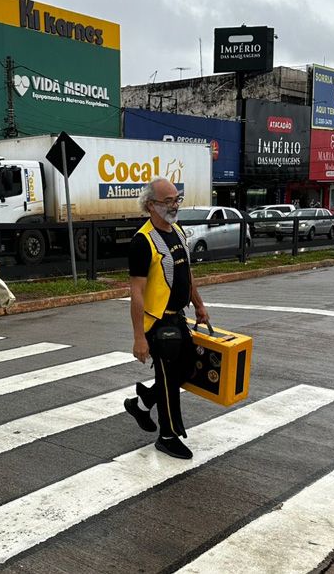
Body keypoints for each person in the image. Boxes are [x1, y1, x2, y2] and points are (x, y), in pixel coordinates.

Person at [125, 177, 210, 460]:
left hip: (177, 317)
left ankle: (142, 402)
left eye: (177, 199)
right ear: (151, 205)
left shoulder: (178, 231)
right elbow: (136, 293)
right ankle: (167, 436)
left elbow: (187, 274)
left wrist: (199, 305)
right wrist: (139, 337)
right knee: (169, 379)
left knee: (188, 369)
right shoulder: (143, 241)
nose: (175, 205)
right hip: (157, 323)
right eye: (168, 201)